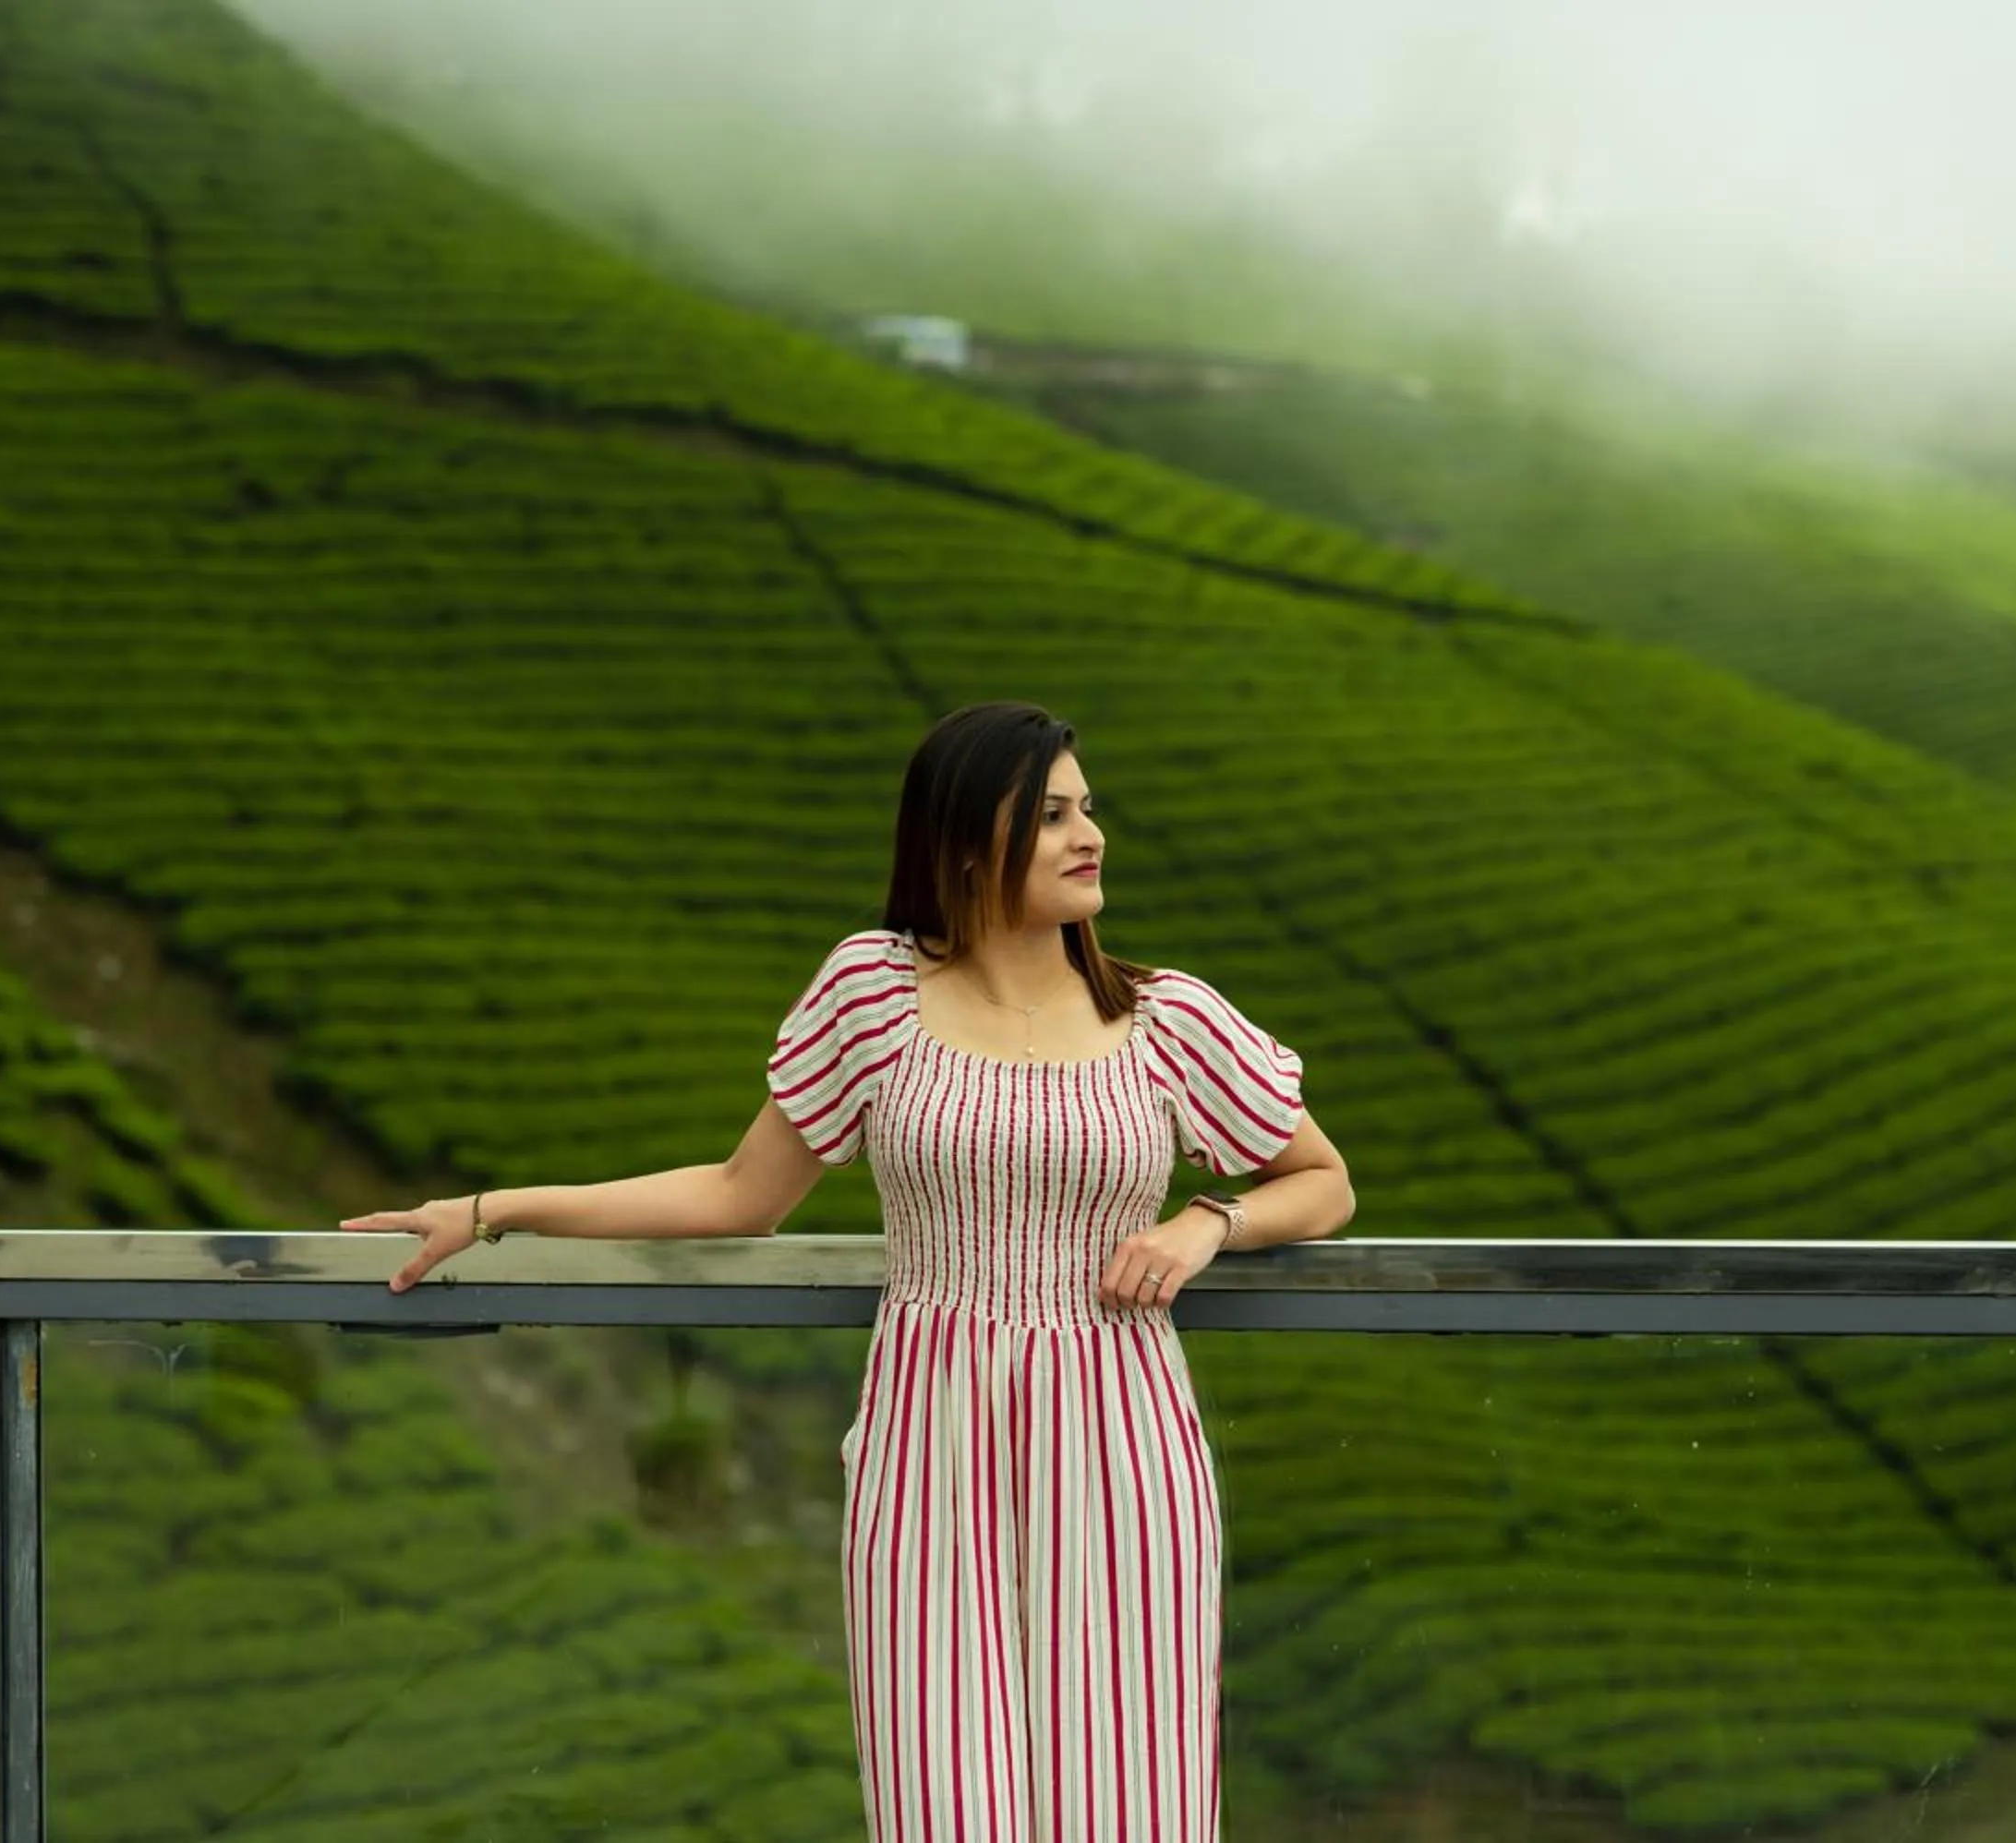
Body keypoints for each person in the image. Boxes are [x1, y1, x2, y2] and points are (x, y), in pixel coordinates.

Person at [343, 700, 1357, 1840]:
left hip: (1121, 1434)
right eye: (1055, 815)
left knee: (1131, 1798)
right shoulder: (872, 990)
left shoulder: (1166, 1016)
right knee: (939, 1799)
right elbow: (742, 1194)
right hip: (929, 1437)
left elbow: (1322, 1180)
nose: (1093, 836)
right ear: (968, 845)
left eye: (1090, 809)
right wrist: (493, 1211)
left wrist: (1205, 1224)